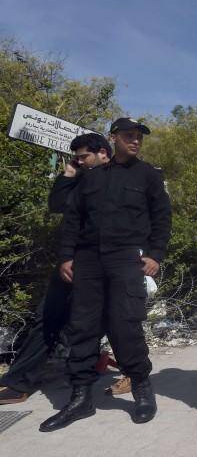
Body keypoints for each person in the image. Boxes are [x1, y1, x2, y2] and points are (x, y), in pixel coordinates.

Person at [39, 118, 171, 432]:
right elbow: (72, 218)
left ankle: (140, 386)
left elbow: (162, 217)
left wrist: (155, 255)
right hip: (87, 260)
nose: (135, 141)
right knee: (82, 327)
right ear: (113, 138)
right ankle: (81, 397)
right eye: (129, 136)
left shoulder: (148, 175)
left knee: (125, 325)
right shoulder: (91, 177)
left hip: (125, 258)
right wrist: (66, 257)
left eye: (138, 137)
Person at [0, 133, 132, 405]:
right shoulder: (81, 178)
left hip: (108, 263)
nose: (80, 161)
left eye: (84, 157)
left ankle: (134, 374)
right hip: (73, 262)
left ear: (104, 153)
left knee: (114, 320)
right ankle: (19, 383)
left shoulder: (120, 178)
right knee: (49, 318)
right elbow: (58, 205)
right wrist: (69, 172)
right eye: (78, 157)